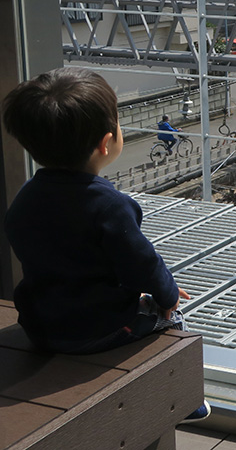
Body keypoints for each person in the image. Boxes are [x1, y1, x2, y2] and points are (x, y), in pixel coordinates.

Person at [1, 67, 210, 422]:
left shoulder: (24, 198)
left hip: (41, 325)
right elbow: (141, 263)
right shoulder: (109, 206)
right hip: (97, 328)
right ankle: (184, 398)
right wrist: (168, 294)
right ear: (106, 142)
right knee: (172, 318)